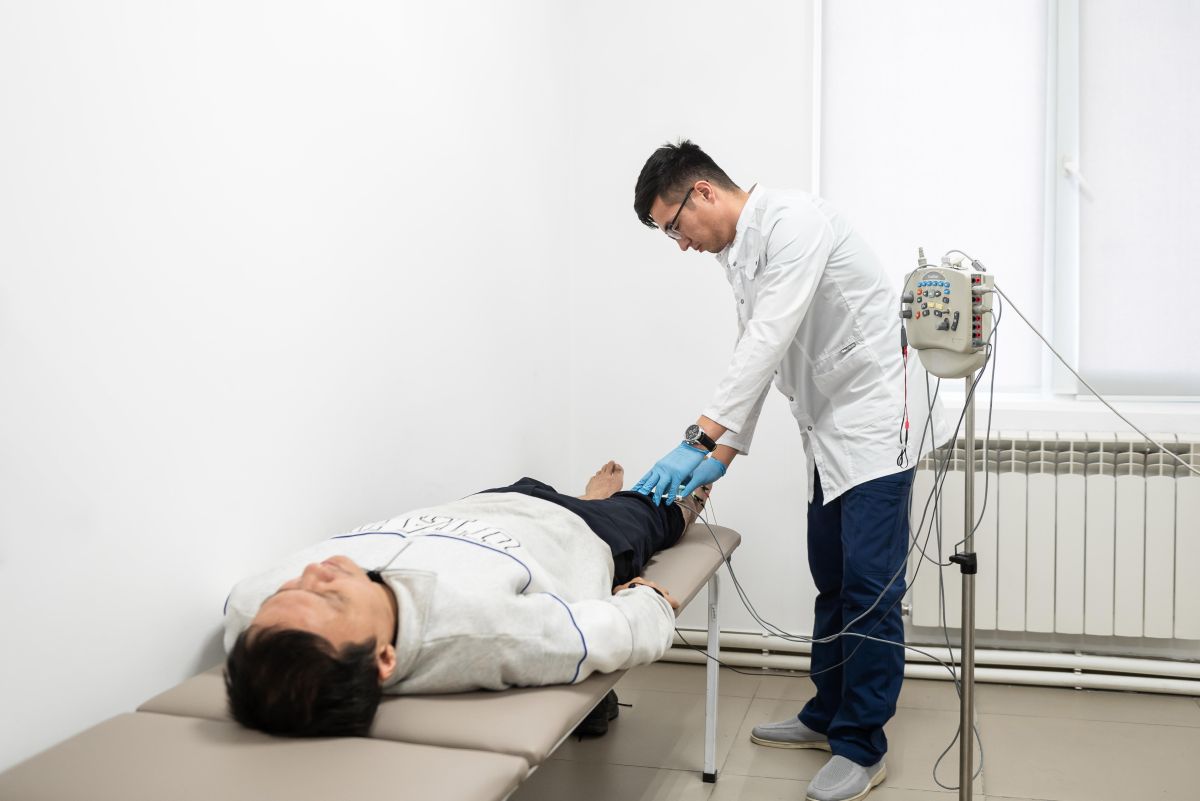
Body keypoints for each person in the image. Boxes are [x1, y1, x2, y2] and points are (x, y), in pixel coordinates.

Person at [631, 141, 952, 801]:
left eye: (674, 226)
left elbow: (768, 336)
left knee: (869, 588)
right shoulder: (739, 256)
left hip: (874, 423)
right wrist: (716, 460)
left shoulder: (795, 222)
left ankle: (862, 746)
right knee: (831, 578)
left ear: (702, 192)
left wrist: (699, 435)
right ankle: (826, 713)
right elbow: (759, 359)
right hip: (826, 428)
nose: (680, 244)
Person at [222, 461, 712, 738]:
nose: (314, 572)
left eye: (289, 589)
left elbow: (253, 612)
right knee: (662, 507)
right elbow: (616, 634)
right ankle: (612, 503)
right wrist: (647, 598)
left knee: (536, 487)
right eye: (330, 598)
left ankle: (590, 496)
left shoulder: (255, 611)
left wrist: (300, 598)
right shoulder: (482, 632)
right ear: (384, 658)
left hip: (483, 504)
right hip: (581, 532)